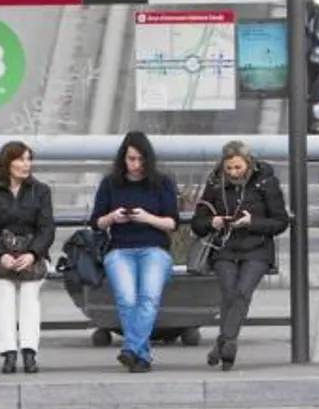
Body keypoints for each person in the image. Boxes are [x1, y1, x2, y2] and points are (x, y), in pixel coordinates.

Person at [192, 140, 291, 370]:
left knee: (242, 291)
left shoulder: (265, 180)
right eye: (229, 169)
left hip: (256, 247)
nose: (233, 173)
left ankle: (225, 342)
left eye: (238, 168)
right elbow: (198, 222)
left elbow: (280, 221)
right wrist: (212, 221)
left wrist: (252, 222)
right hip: (224, 246)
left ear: (248, 164)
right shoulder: (215, 182)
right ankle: (226, 343)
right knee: (229, 292)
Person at [89, 131, 180, 372]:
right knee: (127, 299)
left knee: (149, 297)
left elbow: (172, 223)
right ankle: (141, 355)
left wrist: (147, 217)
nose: (136, 165)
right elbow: (96, 222)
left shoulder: (162, 183)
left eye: (140, 159)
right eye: (131, 159)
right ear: (123, 159)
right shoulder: (110, 183)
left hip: (154, 249)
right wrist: (112, 217)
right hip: (120, 249)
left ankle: (131, 348)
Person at [0, 140, 54, 375]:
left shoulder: (41, 191)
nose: (26, 164)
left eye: (29, 159)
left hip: (33, 257)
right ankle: (9, 353)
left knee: (30, 294)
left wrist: (32, 254)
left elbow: (47, 229)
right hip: (1, 258)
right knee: (6, 295)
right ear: (7, 163)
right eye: (20, 159)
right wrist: (0, 255)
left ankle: (29, 352)